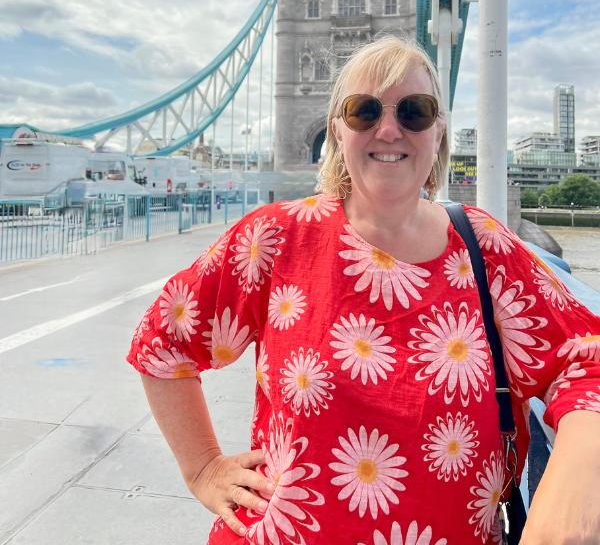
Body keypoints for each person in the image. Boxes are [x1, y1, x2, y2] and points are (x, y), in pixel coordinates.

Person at [127, 36, 600, 545]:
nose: (390, 129)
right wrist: (202, 468)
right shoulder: (276, 237)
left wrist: (574, 489)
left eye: (415, 111)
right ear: (337, 130)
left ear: (438, 131)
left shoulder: (486, 247)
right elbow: (163, 343)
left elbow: (586, 356)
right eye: (364, 111)